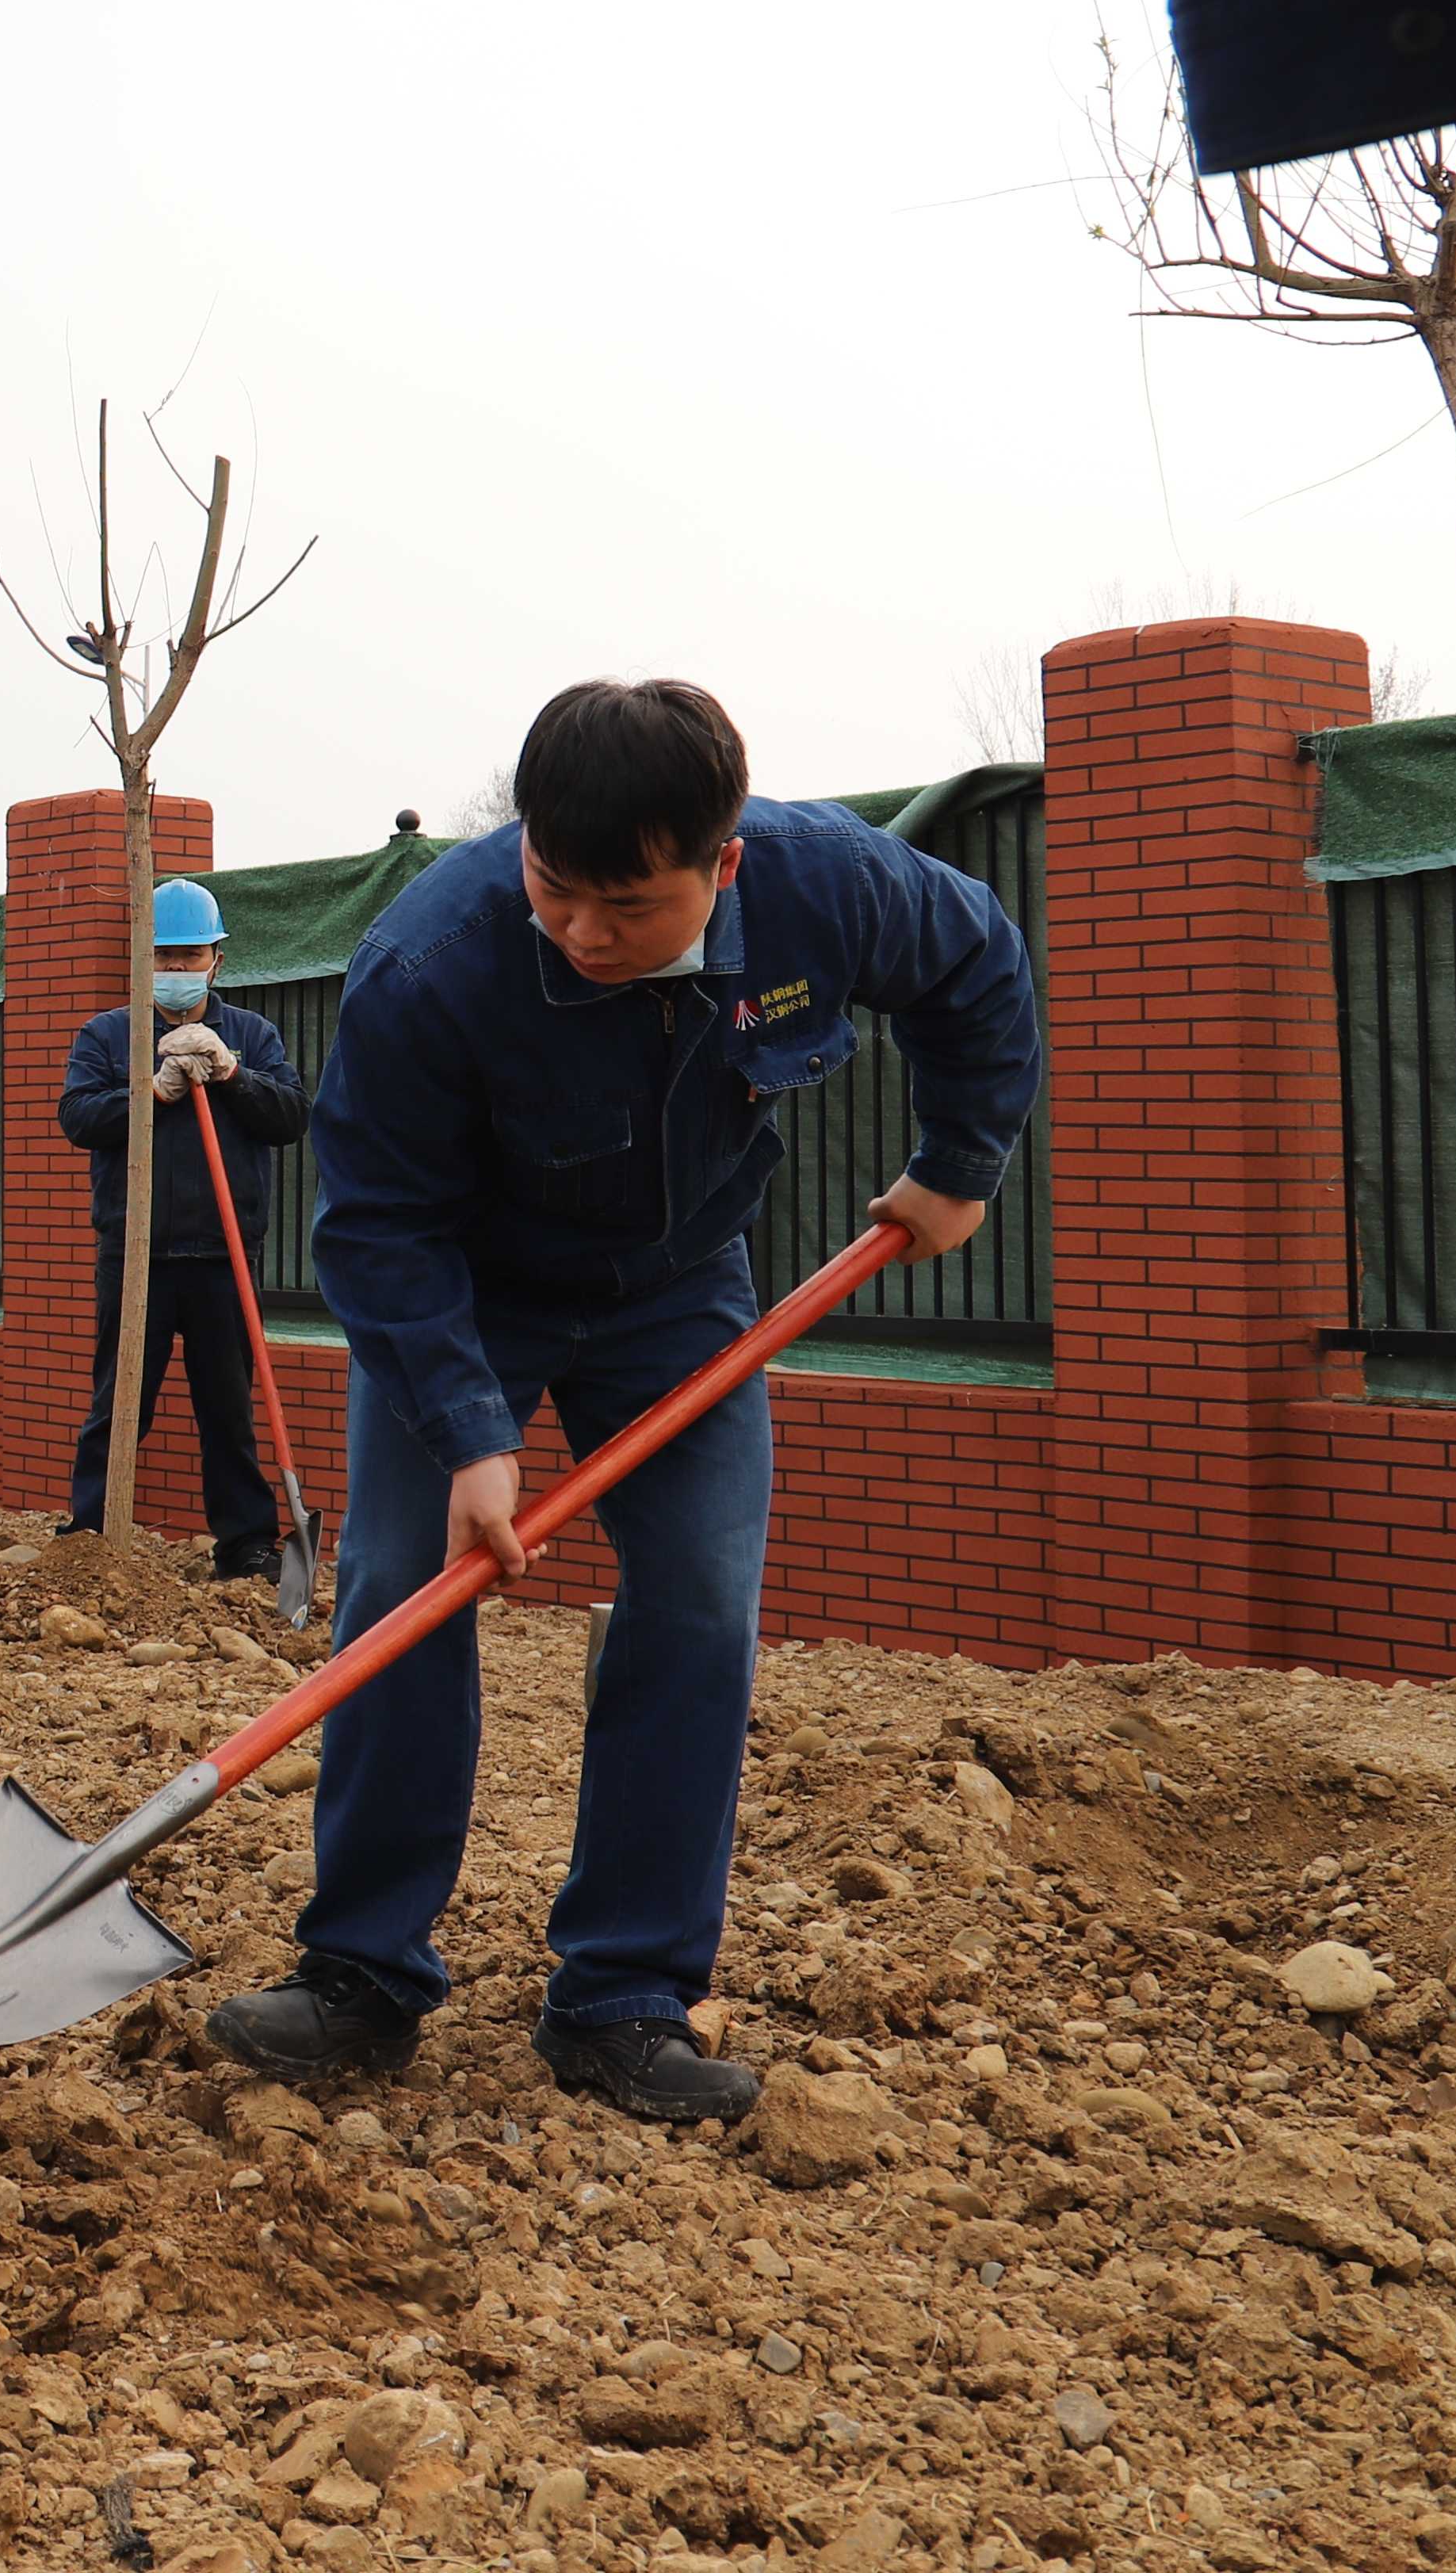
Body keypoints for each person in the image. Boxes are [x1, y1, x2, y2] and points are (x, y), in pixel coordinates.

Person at [209, 681, 1035, 2122]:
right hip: (465, 1283)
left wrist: (961, 1164)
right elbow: (378, 1225)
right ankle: (360, 1971)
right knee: (407, 1583)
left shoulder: (825, 885)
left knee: (701, 1603)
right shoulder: (434, 961)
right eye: (556, 889)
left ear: (722, 865)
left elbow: (978, 968)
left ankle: (624, 1994)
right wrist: (470, 1431)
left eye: (628, 906)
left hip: (675, 1287)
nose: (584, 932)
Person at [55, 875, 308, 1581]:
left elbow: (290, 1118)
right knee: (120, 1401)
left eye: (189, 956)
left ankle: (247, 1544)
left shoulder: (252, 1035)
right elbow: (77, 1118)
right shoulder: (107, 1035)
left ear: (217, 960)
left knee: (227, 1407)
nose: (174, 970)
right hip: (136, 1252)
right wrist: (149, 1092)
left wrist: (232, 1074)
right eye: (162, 957)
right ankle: (90, 1533)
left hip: (225, 1252)